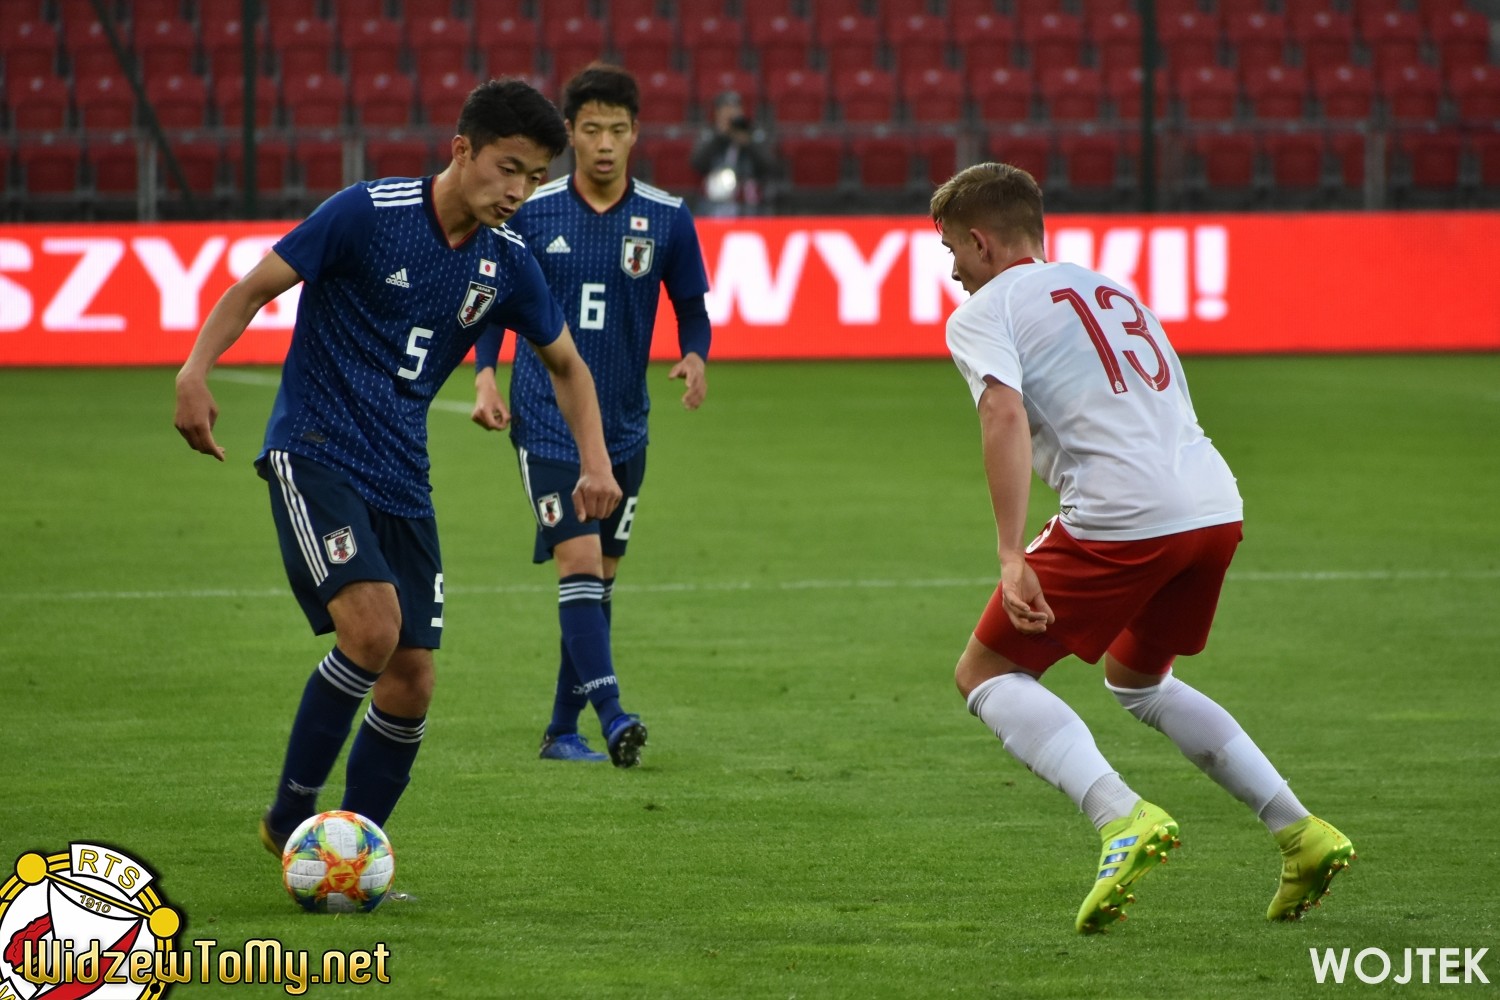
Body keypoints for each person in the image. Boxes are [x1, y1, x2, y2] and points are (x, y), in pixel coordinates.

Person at [173, 78, 622, 855]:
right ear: (462, 150)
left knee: (412, 679)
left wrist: (596, 461)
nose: (518, 191)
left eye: (533, 177)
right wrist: (194, 370)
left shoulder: (508, 264)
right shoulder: (367, 214)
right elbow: (253, 290)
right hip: (316, 449)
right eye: (507, 169)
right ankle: (291, 819)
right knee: (373, 631)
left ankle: (353, 853)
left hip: (403, 476)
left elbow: (568, 367)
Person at [932, 162, 1354, 933]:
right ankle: (1300, 832)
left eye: (953, 248)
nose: (953, 268)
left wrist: (1011, 553)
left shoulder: (985, 309)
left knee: (985, 673)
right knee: (1139, 679)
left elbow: (1002, 413)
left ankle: (1119, 816)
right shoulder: (1109, 289)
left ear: (982, 241)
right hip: (1213, 503)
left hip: (1124, 512)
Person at [471, 63, 712, 769]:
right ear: (570, 134)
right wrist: (485, 374)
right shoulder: (533, 212)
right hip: (545, 420)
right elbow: (495, 300)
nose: (605, 143)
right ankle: (613, 717)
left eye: (617, 129)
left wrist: (695, 355)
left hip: (625, 426)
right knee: (577, 562)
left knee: (599, 577)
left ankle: (560, 730)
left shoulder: (667, 217)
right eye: (592, 129)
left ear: (636, 134)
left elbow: (692, 307)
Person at [689, 90, 774, 218]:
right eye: (725, 109)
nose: (730, 113)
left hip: (748, 199)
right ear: (717, 113)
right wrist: (719, 137)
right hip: (714, 198)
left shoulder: (753, 132)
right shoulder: (709, 133)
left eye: (735, 108)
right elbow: (697, 163)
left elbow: (769, 164)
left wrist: (748, 143)